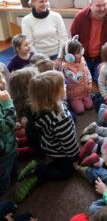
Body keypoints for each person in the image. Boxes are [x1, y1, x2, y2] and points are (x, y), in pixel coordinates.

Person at [14, 71, 80, 203]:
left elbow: (32, 127)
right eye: (63, 85)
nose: (66, 85)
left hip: (45, 142)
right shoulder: (62, 119)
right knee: (67, 172)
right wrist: (75, 158)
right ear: (53, 94)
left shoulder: (33, 107)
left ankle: (35, 162)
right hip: (57, 151)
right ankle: (38, 169)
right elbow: (69, 143)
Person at [70, 0, 107, 82]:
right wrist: (78, 58)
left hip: (103, 58)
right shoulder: (80, 17)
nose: (102, 9)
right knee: (79, 80)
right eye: (98, 6)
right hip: (83, 56)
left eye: (104, 5)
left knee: (102, 81)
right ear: (91, 5)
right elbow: (73, 39)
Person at [21, 0, 67, 69]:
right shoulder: (26, 20)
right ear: (33, 2)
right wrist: (40, 60)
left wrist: (59, 58)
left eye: (46, 1)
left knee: (57, 80)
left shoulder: (56, 16)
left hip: (56, 56)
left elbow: (63, 38)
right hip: (38, 58)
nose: (45, 4)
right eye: (41, 2)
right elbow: (29, 43)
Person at [62, 36, 93, 114]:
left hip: (84, 91)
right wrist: (81, 70)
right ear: (70, 56)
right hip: (74, 94)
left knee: (89, 106)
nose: (81, 54)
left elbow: (88, 71)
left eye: (81, 51)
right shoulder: (66, 68)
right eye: (78, 53)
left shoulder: (82, 59)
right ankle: (71, 101)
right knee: (80, 111)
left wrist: (90, 82)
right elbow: (77, 80)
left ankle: (83, 99)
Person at [0, 73, 17, 195]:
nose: (3, 83)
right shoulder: (4, 100)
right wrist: (7, 104)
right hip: (3, 155)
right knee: (4, 177)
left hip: (10, 145)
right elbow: (7, 125)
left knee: (13, 169)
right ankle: (4, 191)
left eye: (1, 78)